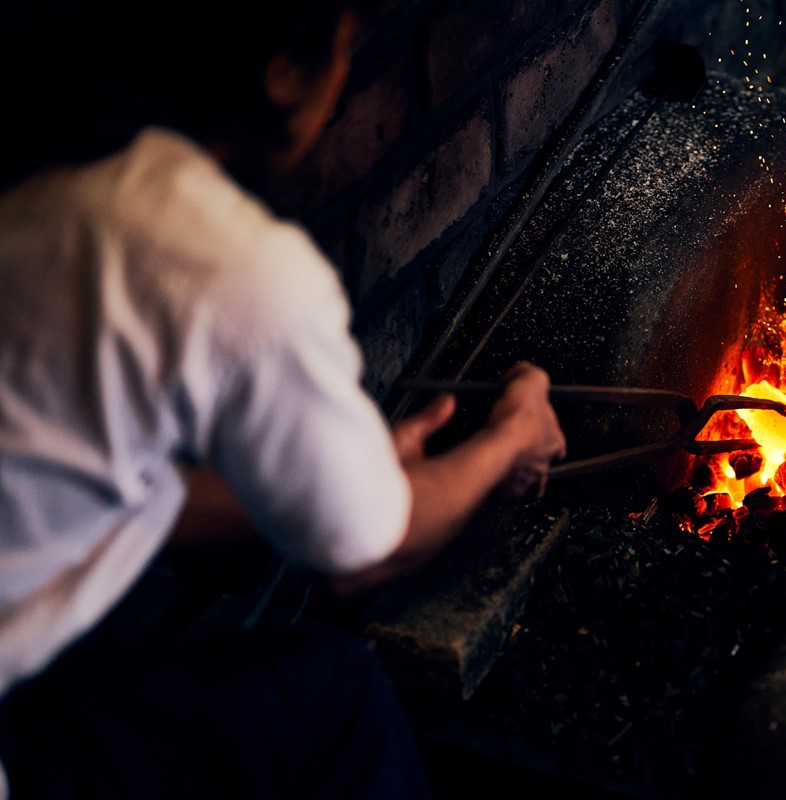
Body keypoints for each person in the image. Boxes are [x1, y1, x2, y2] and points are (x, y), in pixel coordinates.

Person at [0, 1, 567, 796]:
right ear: (282, 73)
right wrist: (511, 434)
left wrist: (336, 482)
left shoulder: (45, 168)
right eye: (342, 50)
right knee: (335, 696)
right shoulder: (220, 262)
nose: (344, 80)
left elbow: (78, 473)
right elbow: (370, 550)